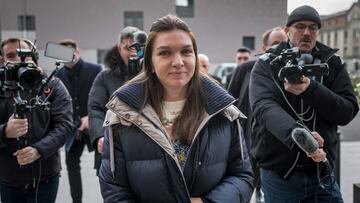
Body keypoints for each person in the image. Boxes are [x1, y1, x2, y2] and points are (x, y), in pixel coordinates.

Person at [99, 14, 254, 202]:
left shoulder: (223, 111)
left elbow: (242, 177)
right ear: (150, 62)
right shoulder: (123, 114)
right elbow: (114, 189)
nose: (178, 62)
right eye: (165, 53)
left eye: (186, 52)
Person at [249, 5, 359, 203]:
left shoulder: (332, 63)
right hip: (280, 174)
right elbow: (263, 107)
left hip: (322, 171)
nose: (307, 33)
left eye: (313, 28)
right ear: (287, 30)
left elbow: (347, 111)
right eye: (300, 27)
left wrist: (311, 90)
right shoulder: (267, 64)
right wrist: (300, 136)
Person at [0, 38, 73, 203]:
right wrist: (5, 131)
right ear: (2, 60)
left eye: (23, 55)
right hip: (9, 179)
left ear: (33, 57)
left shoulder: (52, 85)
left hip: (46, 176)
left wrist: (38, 150)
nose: (18, 60)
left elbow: (65, 125)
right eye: (11, 55)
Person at [227, 26, 287, 203]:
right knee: (242, 192)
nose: (280, 47)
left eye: (284, 43)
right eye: (275, 43)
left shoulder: (291, 75)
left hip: (277, 149)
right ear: (264, 48)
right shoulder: (245, 70)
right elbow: (229, 106)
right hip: (247, 145)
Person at [88, 26, 140, 175]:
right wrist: (99, 136)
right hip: (112, 147)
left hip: (146, 150)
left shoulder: (153, 76)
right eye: (127, 48)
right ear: (119, 49)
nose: (133, 52)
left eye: (137, 47)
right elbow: (96, 109)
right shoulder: (104, 77)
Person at [55, 39, 102, 203]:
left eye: (71, 52)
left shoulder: (96, 70)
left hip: (94, 123)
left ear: (78, 52)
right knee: (71, 162)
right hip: (72, 127)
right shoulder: (57, 75)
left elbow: (103, 97)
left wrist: (91, 116)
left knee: (104, 164)